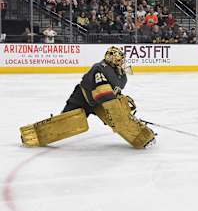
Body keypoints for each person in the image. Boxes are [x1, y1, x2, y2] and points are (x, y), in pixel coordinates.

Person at [20, 46, 156, 149]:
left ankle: (141, 138)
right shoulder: (99, 68)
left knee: (119, 119)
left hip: (99, 102)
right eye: (119, 60)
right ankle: (32, 135)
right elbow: (103, 93)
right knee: (66, 122)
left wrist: (120, 100)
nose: (122, 63)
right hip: (82, 98)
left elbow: (110, 93)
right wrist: (120, 107)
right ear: (111, 59)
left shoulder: (119, 74)